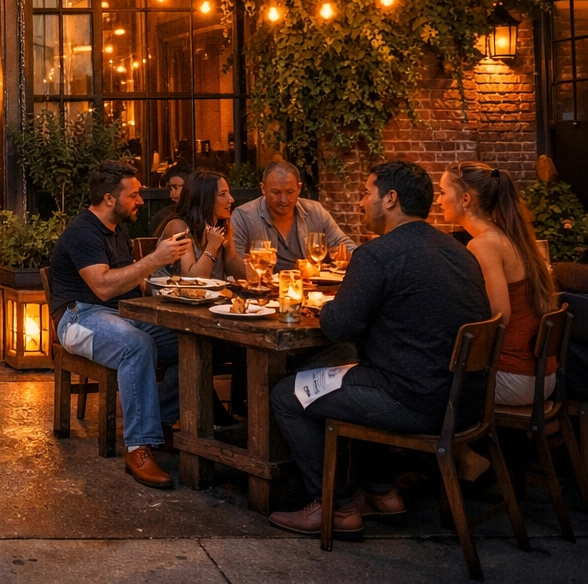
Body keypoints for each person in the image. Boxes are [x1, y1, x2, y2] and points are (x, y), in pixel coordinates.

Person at [268, 160, 491, 538]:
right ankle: (382, 493)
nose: (360, 203)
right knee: (361, 371)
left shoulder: (377, 255)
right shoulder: (458, 250)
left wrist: (325, 306)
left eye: (367, 193)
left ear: (390, 199)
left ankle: (335, 508)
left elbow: (338, 326)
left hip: (415, 403)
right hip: (466, 401)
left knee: (287, 395)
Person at [46, 161, 191, 489]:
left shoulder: (119, 228)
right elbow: (104, 286)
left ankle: (161, 423)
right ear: (110, 199)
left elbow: (132, 281)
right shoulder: (83, 231)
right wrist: (155, 259)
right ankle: (138, 447)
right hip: (79, 318)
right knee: (136, 344)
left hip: (121, 314)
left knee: (192, 338)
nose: (141, 200)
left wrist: (167, 287)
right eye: (134, 194)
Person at [438, 161, 557, 407]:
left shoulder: (483, 244)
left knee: (424, 379)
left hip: (516, 378)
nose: (438, 201)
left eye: (442, 192)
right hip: (539, 376)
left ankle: (449, 444)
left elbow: (499, 315)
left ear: (465, 199)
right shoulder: (505, 235)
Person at [230, 160, 352, 271]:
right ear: (263, 188)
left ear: (299, 188)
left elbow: (344, 244)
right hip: (262, 289)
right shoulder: (244, 216)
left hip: (310, 288)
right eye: (276, 192)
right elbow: (234, 262)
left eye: (290, 192)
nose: (283, 199)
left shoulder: (315, 211)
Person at [158, 171, 244, 280]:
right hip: (168, 293)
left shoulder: (221, 224)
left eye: (229, 193)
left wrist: (259, 270)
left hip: (212, 294)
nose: (231, 199)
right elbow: (192, 279)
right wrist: (212, 246)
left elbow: (233, 268)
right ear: (204, 199)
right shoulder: (179, 226)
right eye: (223, 194)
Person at [150, 165, 190, 234]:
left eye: (175, 187)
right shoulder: (163, 215)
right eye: (169, 187)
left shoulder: (198, 212)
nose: (171, 192)